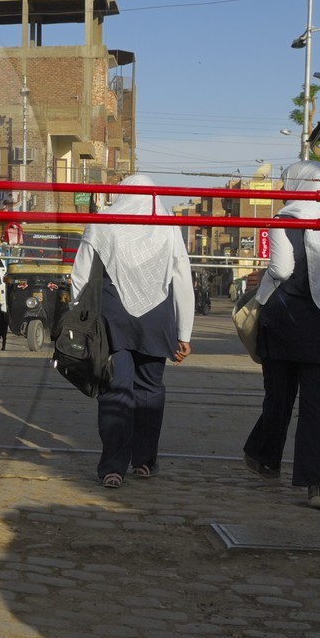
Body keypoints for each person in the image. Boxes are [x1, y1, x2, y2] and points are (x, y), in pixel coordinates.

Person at [241, 161, 320, 511]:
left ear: (294, 183)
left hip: (285, 323)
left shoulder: (284, 218)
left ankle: (266, 460)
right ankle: (318, 484)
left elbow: (280, 269)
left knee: (279, 396)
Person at [70, 173, 194, 488]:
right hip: (156, 319)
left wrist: (79, 317)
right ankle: (144, 462)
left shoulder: (103, 222)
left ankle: (113, 467)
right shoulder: (166, 225)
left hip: (112, 319)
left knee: (115, 390)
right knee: (150, 390)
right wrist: (185, 333)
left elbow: (80, 276)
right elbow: (182, 277)